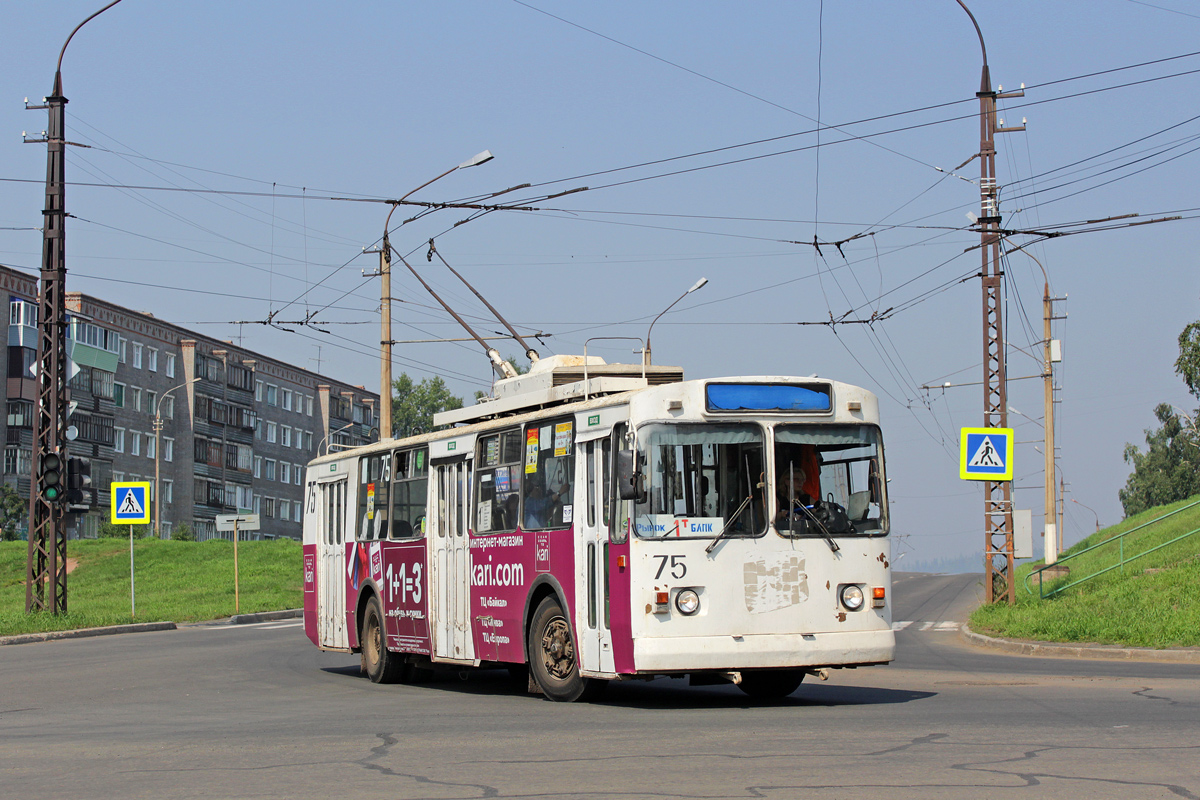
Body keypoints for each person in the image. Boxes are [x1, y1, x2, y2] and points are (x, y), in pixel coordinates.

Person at [774, 464, 814, 528]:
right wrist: (781, 514)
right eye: (796, 479)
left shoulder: (807, 499)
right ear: (787, 481)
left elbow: (818, 511)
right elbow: (772, 519)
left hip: (805, 534)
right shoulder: (778, 499)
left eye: (802, 480)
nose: (800, 482)